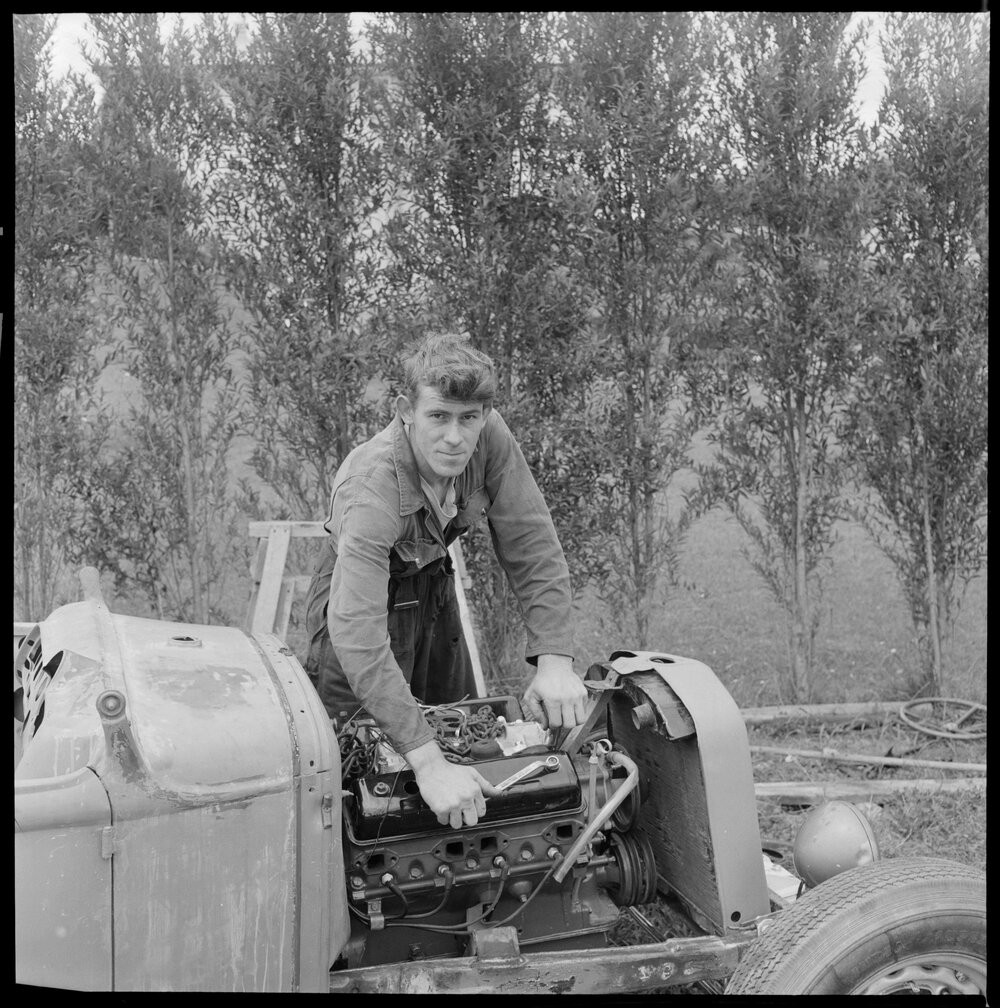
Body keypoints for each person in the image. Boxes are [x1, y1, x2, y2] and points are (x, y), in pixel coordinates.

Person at [304, 333, 589, 831]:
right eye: (438, 416)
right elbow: (358, 635)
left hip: (433, 587)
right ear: (405, 410)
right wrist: (427, 763)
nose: (455, 437)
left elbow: (532, 543)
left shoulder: (491, 436)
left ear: (484, 414)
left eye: (468, 418)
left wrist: (556, 661)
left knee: (465, 739)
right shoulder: (371, 487)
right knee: (354, 773)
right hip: (358, 608)